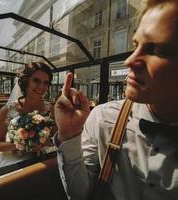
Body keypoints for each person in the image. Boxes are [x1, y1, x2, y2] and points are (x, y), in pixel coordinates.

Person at [54, 1, 178, 200]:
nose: (129, 61)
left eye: (157, 50)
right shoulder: (104, 117)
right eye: (135, 45)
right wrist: (69, 135)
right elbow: (79, 194)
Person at [0, 62, 55, 171]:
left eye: (46, 83)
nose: (41, 87)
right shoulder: (7, 110)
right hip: (13, 159)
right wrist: (23, 144)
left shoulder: (50, 108)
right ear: (26, 81)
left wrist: (45, 142)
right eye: (36, 81)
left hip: (43, 156)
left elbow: (54, 138)